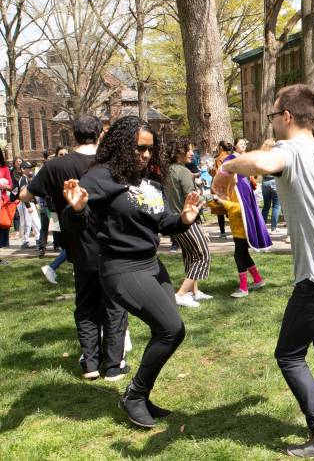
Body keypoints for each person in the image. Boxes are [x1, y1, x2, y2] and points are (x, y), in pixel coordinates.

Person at [217, 84, 314, 457]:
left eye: (273, 115)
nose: (272, 121)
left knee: (288, 354)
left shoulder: (290, 150)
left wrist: (226, 167)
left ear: (286, 116)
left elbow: (262, 164)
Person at [62, 116, 202, 428]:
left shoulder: (148, 179)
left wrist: (183, 219)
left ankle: (139, 395)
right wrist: (77, 209)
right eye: (140, 148)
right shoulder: (101, 177)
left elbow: (160, 221)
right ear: (122, 145)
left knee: (170, 332)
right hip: (121, 268)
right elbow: (72, 221)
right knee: (171, 329)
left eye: (150, 149)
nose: (146, 155)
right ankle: (134, 396)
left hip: (151, 264)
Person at [22, 114, 130, 380]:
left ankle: (91, 364)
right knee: (114, 306)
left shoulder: (56, 165)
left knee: (86, 305)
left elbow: (26, 194)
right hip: (112, 244)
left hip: (78, 245)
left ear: (73, 134)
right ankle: (113, 365)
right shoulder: (110, 163)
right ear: (100, 133)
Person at [164, 140, 213, 307]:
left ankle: (195, 292)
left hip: (173, 221)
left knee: (190, 255)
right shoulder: (183, 171)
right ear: (179, 152)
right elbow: (193, 198)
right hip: (187, 220)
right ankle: (181, 294)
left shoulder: (168, 170)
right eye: (189, 150)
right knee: (202, 255)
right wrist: (212, 196)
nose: (192, 153)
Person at [208, 180, 265, 298]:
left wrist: (223, 202)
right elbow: (225, 204)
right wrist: (209, 201)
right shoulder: (231, 185)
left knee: (238, 256)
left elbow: (242, 208)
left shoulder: (241, 185)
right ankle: (258, 280)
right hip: (236, 228)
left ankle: (243, 288)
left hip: (244, 229)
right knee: (244, 255)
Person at [210, 140, 235, 238]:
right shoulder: (232, 157)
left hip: (219, 187)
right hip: (230, 185)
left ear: (220, 147)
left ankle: (222, 231)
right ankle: (234, 229)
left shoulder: (218, 159)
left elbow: (218, 174)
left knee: (220, 210)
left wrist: (210, 171)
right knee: (231, 208)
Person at [259, 139, 282, 233]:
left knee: (266, 206)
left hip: (265, 182)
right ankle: (274, 227)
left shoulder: (262, 157)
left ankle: (262, 227)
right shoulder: (275, 156)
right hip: (274, 181)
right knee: (276, 205)